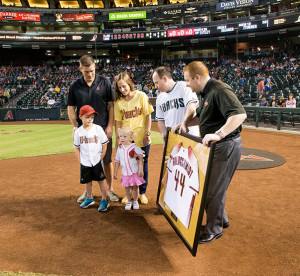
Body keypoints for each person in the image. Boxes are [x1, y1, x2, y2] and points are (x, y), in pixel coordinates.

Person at [172, 61, 247, 244]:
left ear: (197, 77)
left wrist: (219, 134)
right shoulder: (205, 92)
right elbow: (201, 115)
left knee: (212, 190)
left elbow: (239, 115)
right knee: (213, 187)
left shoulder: (219, 90)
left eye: (188, 80)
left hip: (226, 145)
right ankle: (222, 220)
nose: (187, 84)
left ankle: (214, 229)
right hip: (218, 147)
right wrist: (184, 124)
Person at [67, 55, 119, 203]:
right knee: (86, 160)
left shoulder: (105, 82)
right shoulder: (75, 86)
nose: (90, 74)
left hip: (102, 128)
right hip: (84, 129)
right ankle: (87, 192)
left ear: (95, 67)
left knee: (107, 159)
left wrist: (110, 126)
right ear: (80, 69)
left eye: (92, 70)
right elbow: (71, 108)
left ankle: (110, 190)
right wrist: (75, 127)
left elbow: (111, 106)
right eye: (86, 72)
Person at [114, 72, 154, 205]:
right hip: (126, 139)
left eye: (124, 86)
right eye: (119, 88)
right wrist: (118, 139)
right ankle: (129, 193)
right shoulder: (118, 102)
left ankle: (142, 193)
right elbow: (118, 122)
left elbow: (148, 116)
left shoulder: (141, 95)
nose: (122, 90)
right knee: (127, 166)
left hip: (141, 137)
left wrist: (147, 134)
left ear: (129, 84)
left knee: (143, 165)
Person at [73, 105, 110, 212]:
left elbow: (104, 144)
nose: (90, 119)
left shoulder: (97, 129)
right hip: (85, 161)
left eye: (92, 117)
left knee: (101, 180)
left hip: (96, 160)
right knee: (87, 181)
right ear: (81, 117)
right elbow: (76, 147)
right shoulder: (78, 132)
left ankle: (104, 200)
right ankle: (89, 198)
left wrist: (101, 156)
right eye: (87, 117)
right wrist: (80, 160)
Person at [152, 66, 199, 143]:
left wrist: (184, 124)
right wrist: (164, 135)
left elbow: (191, 107)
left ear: (164, 79)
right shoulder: (160, 98)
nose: (155, 86)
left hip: (190, 136)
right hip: (173, 139)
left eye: (157, 82)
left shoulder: (184, 87)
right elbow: (161, 120)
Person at [114, 127, 145, 211]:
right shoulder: (120, 149)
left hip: (134, 171)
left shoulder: (135, 147)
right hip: (125, 172)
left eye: (125, 136)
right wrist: (115, 172)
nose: (122, 138)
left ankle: (135, 201)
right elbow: (117, 161)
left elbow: (141, 158)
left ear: (130, 138)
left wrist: (141, 169)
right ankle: (129, 201)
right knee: (127, 188)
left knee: (135, 187)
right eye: (121, 136)